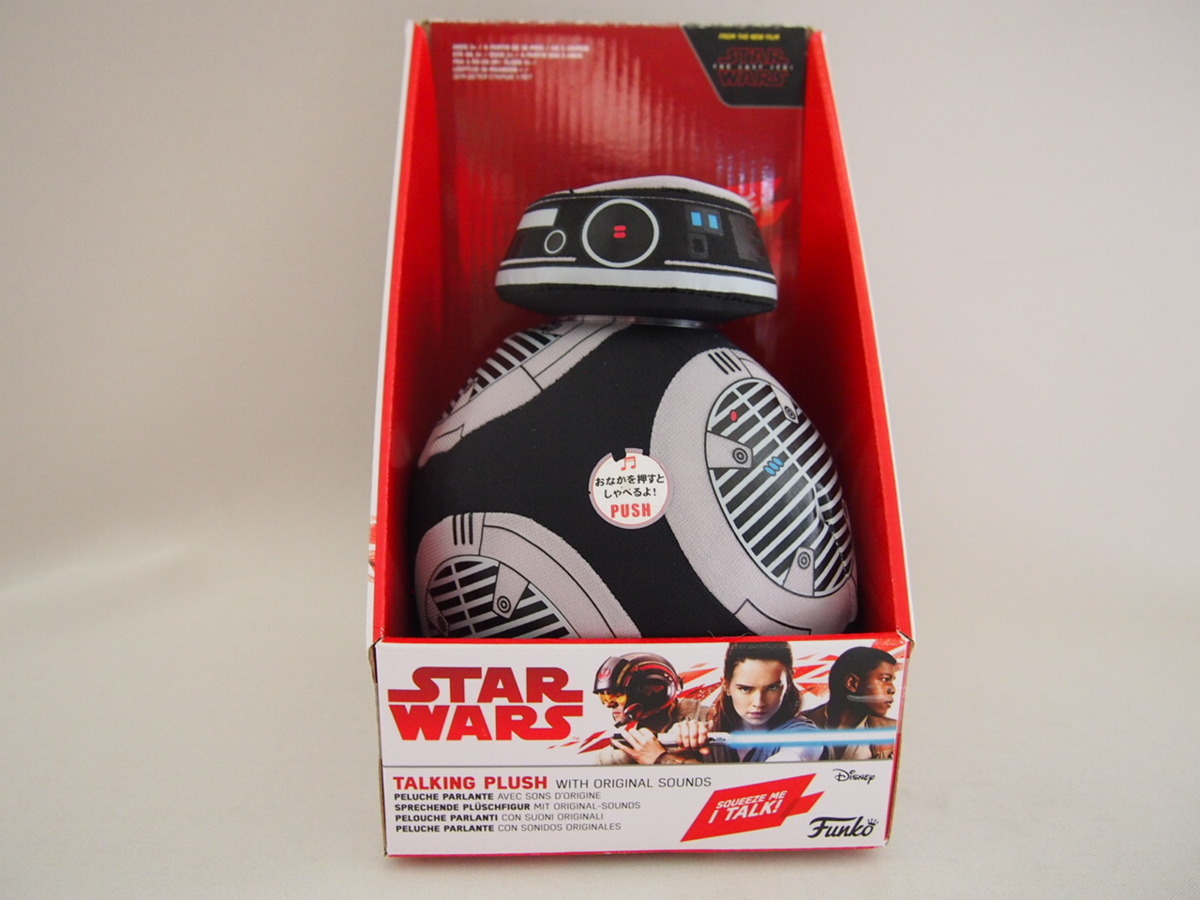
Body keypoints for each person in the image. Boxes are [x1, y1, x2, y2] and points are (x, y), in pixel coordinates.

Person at [622, 641, 821, 764]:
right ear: (726, 685)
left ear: (789, 681)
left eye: (772, 688)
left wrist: (662, 759)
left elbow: (759, 786)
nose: (758, 702)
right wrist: (678, 741)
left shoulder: (802, 735)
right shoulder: (710, 724)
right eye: (746, 689)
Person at [592, 652, 705, 765]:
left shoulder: (707, 721)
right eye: (605, 698)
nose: (609, 704)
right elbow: (602, 761)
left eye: (617, 695)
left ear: (652, 692)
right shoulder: (635, 739)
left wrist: (660, 758)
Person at [803, 646, 898, 760]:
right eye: (885, 679)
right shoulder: (797, 725)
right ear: (852, 683)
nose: (892, 689)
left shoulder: (894, 733)